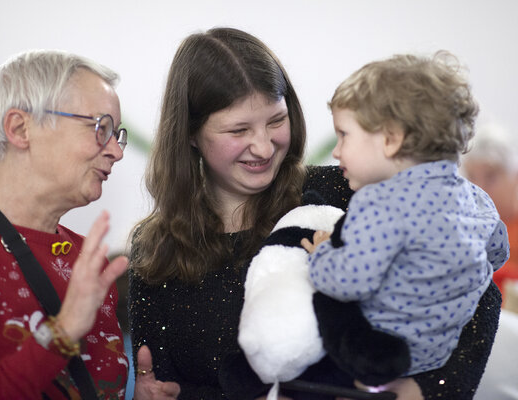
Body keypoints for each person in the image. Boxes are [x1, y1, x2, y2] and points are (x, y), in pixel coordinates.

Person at [128, 27, 504, 400]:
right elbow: (168, 383)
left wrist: (422, 390)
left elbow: (476, 290)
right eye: (238, 130)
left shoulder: (351, 190)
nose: (262, 146)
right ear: (191, 134)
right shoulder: (156, 248)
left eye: (276, 121)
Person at [0, 50, 180, 400]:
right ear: (20, 128)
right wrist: (61, 334)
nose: (116, 151)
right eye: (100, 128)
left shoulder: (91, 263)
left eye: (117, 134)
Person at [300, 52, 509, 381]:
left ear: (391, 139)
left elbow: (349, 282)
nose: (337, 150)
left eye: (344, 135)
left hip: (378, 350)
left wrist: (321, 255)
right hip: (440, 354)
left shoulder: (378, 203)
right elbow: (498, 252)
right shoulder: (476, 199)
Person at [462, 123, 518, 306]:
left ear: (515, 177)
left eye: (491, 177)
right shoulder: (459, 230)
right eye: (471, 177)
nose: (479, 188)